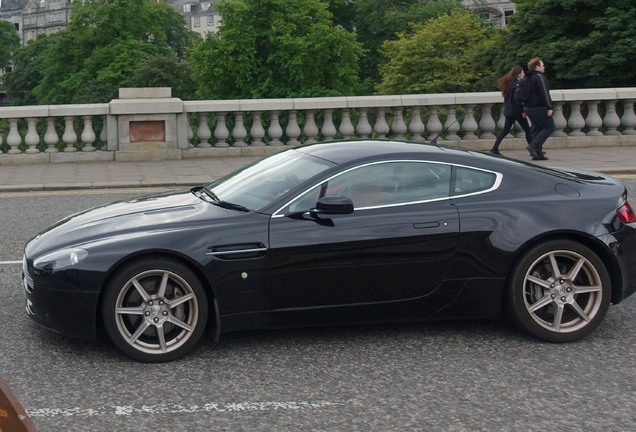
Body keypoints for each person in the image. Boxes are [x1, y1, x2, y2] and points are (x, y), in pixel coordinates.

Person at [490, 66, 532, 155]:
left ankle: (495, 148)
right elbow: (518, 99)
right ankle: (533, 149)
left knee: (505, 130)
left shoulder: (508, 85)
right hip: (517, 111)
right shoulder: (517, 85)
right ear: (518, 75)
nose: (524, 74)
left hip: (509, 111)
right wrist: (523, 111)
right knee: (527, 130)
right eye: (522, 73)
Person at [523, 57, 555, 160]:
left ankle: (537, 153)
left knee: (537, 129)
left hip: (529, 108)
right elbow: (544, 93)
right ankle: (534, 146)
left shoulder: (527, 78)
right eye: (542, 65)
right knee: (549, 127)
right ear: (537, 67)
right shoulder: (539, 77)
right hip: (539, 107)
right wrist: (549, 106)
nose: (544, 67)